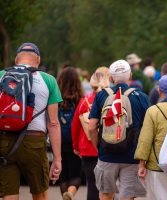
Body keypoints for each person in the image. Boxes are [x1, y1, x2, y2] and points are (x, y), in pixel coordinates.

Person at [0, 42, 62, 200]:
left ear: (16, 60)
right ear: (38, 60)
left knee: (9, 195)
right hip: (34, 142)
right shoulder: (48, 80)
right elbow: (53, 123)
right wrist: (57, 158)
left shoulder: (2, 76)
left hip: (4, 141)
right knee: (39, 194)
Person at [89, 60, 150, 200]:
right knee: (127, 196)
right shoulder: (141, 97)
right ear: (130, 76)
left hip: (107, 154)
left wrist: (98, 147)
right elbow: (148, 129)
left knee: (105, 194)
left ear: (110, 78)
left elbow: (92, 126)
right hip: (132, 156)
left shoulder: (101, 95)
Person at [72, 67, 110, 200]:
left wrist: (76, 146)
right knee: (108, 187)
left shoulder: (84, 102)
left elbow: (75, 126)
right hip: (107, 148)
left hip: (87, 149)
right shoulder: (111, 101)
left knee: (92, 185)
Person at [57, 66, 83, 200]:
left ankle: (65, 196)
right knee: (76, 175)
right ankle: (71, 194)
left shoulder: (56, 98)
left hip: (59, 141)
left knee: (64, 174)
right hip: (75, 142)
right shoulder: (80, 99)